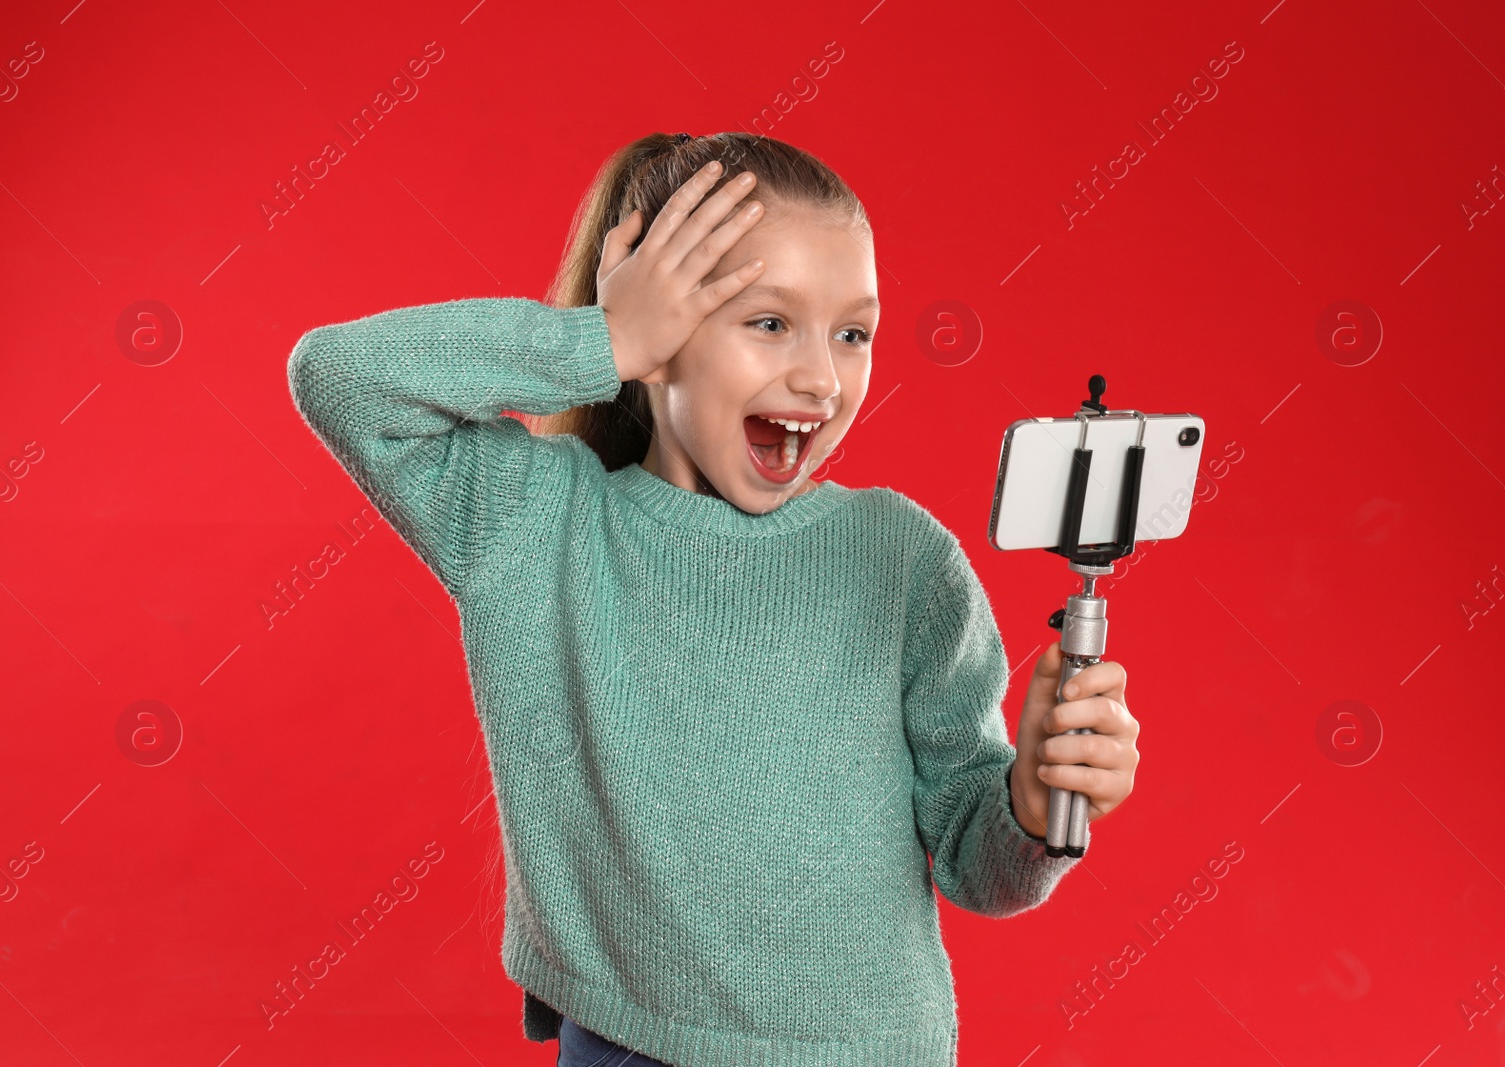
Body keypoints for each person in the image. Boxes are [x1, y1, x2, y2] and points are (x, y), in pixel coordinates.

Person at [285, 130, 1140, 1067]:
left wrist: (1027, 803)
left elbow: (981, 866)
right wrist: (599, 340)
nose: (821, 377)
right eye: (769, 322)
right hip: (635, 1043)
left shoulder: (901, 559)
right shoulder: (535, 523)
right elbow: (339, 377)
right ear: (660, 335)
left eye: (853, 332)